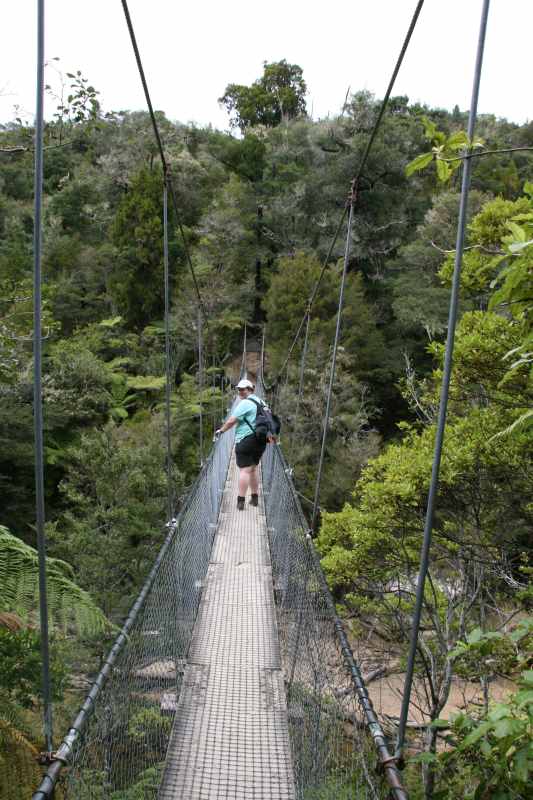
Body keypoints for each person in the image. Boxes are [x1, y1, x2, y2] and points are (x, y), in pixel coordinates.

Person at [215, 378, 268, 510]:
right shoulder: (262, 402)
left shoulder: (245, 403)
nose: (240, 391)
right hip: (261, 441)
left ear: (250, 390)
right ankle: (254, 499)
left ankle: (240, 501)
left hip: (246, 440)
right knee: (253, 469)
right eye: (239, 389)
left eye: (243, 389)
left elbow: (231, 421)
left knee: (245, 470)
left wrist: (221, 431)